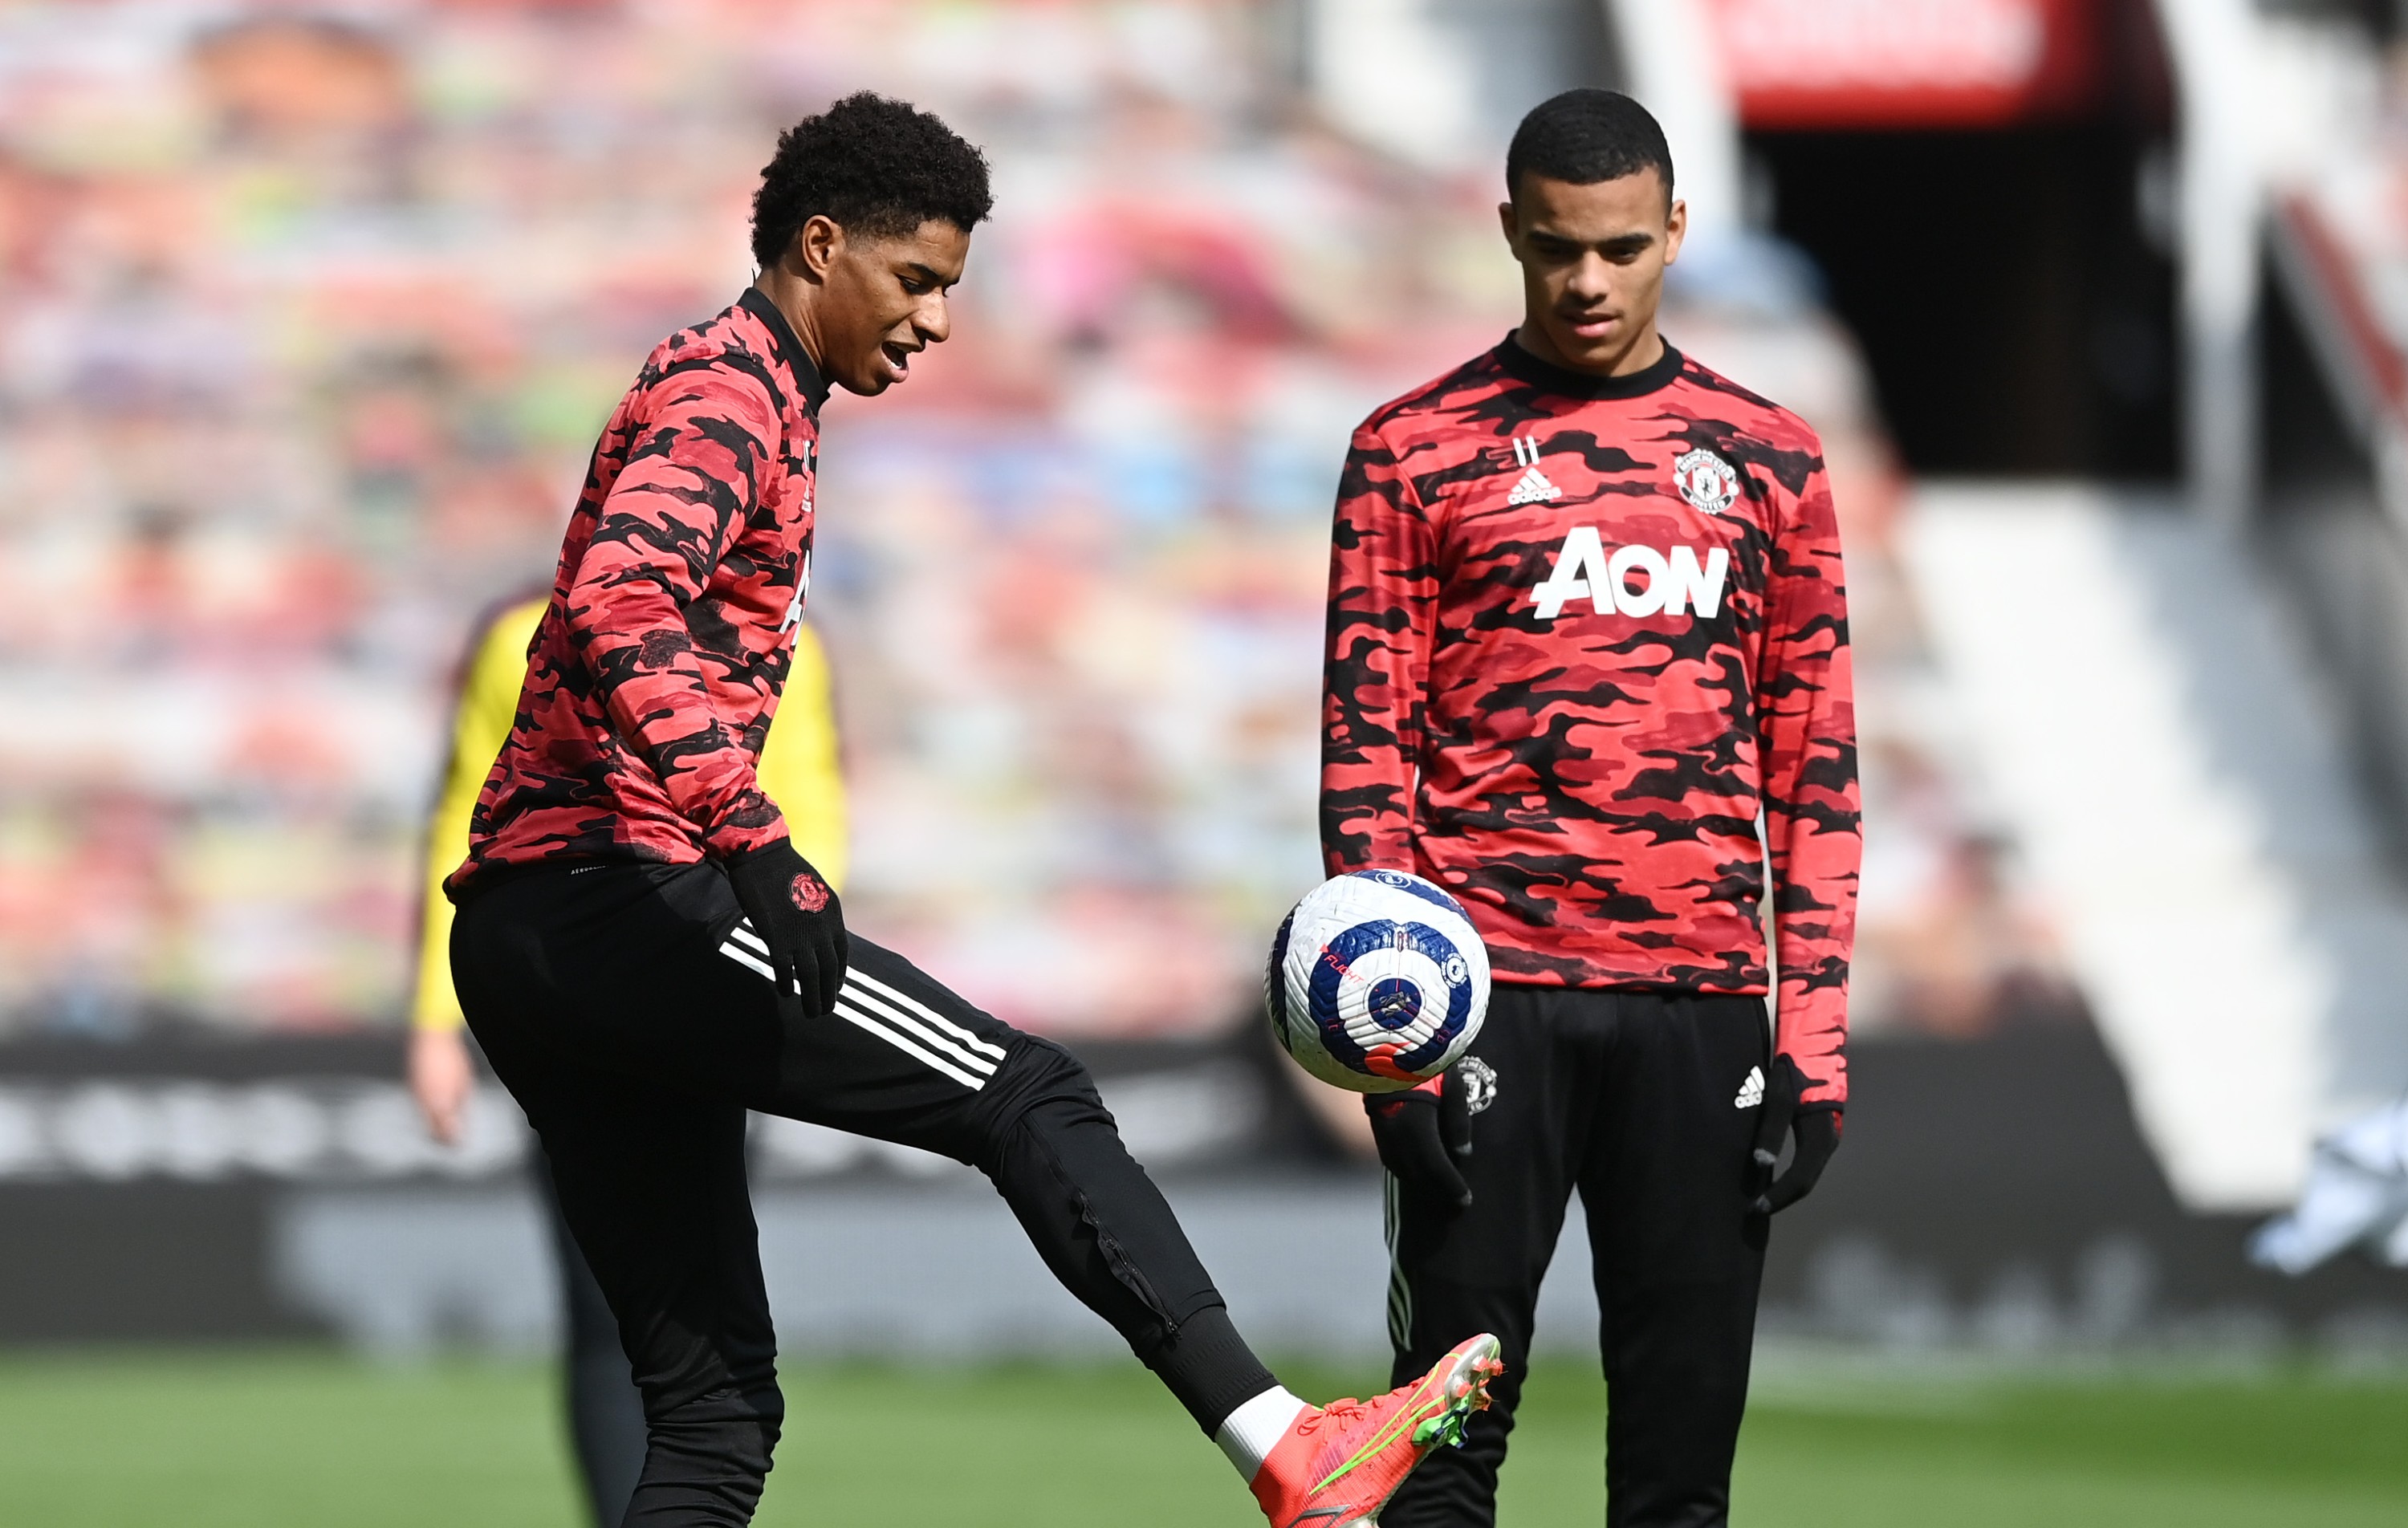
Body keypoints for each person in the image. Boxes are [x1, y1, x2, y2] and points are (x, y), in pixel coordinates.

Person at [439, 91, 1499, 1528]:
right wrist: (748, 833)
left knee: (712, 1411)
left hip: (530, 926)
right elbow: (622, 600)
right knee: (1029, 1091)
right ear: (823, 246)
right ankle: (1284, 1443)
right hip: (615, 892)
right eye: (920, 279)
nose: (939, 320)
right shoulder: (727, 389)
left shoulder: (748, 391)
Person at [1321, 89, 1860, 1527]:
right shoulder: (1409, 450)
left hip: (1701, 1011)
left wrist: (1810, 1043)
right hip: (1485, 998)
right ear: (1509, 229)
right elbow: (1364, 760)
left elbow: (1816, 766)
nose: (1588, 281)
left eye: (1622, 247)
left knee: (1678, 1475)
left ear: (1676, 231)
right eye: (1557, 246)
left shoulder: (1773, 459)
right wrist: (1395, 1051)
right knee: (1436, 1451)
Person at [409, 593, 848, 1526]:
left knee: (677, 1324)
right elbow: (471, 817)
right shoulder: (519, 634)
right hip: (629, 996)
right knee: (632, 1316)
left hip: (633, 997)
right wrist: (432, 1022)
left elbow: (808, 814)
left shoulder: (787, 647)